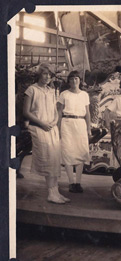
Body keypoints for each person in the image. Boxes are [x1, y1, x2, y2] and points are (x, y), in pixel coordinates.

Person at [23, 63, 70, 204]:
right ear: (39, 74)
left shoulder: (51, 91)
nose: (47, 77)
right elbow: (26, 112)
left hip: (51, 127)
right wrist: (42, 123)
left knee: (55, 159)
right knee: (48, 159)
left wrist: (55, 121)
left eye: (49, 75)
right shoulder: (31, 90)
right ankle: (51, 192)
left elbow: (56, 111)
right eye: (45, 74)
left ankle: (55, 192)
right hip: (39, 127)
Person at [57, 70, 91, 193]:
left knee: (81, 152)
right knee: (68, 152)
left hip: (80, 124)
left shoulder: (84, 95)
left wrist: (88, 128)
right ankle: (71, 182)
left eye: (76, 78)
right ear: (69, 81)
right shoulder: (64, 94)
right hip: (67, 124)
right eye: (71, 79)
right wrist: (58, 128)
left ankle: (78, 182)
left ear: (80, 81)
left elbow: (88, 113)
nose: (74, 81)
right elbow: (59, 112)